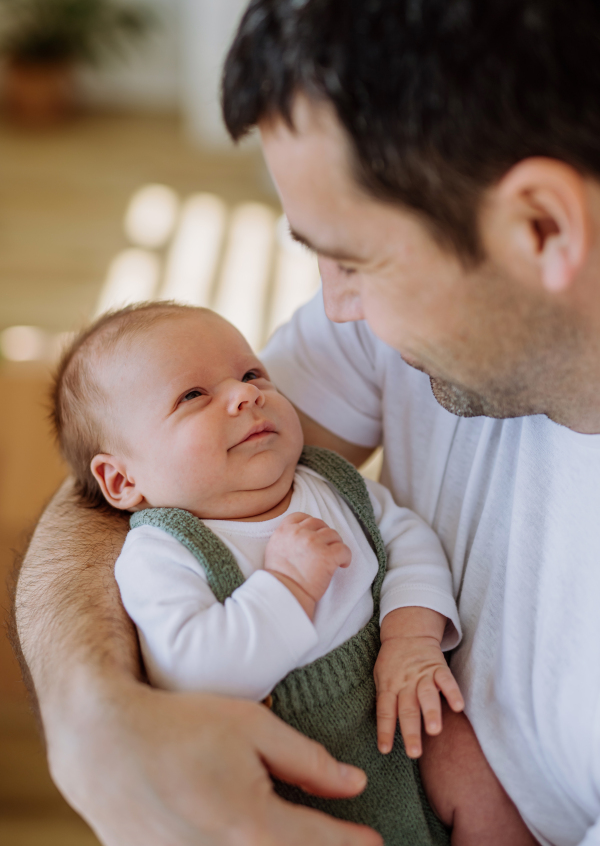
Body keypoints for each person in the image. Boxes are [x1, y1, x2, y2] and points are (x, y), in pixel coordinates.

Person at [13, 0, 600, 844]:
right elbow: (132, 482)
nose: (333, 306)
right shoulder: (388, 330)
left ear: (542, 227)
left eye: (354, 258)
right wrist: (93, 717)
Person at [53, 299, 521, 844]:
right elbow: (196, 673)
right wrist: (289, 587)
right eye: (193, 395)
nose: (245, 393)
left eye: (252, 373)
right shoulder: (162, 553)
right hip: (290, 775)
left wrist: (412, 638)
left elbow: (408, 540)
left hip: (399, 703)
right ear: (121, 480)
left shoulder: (330, 483)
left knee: (475, 772)